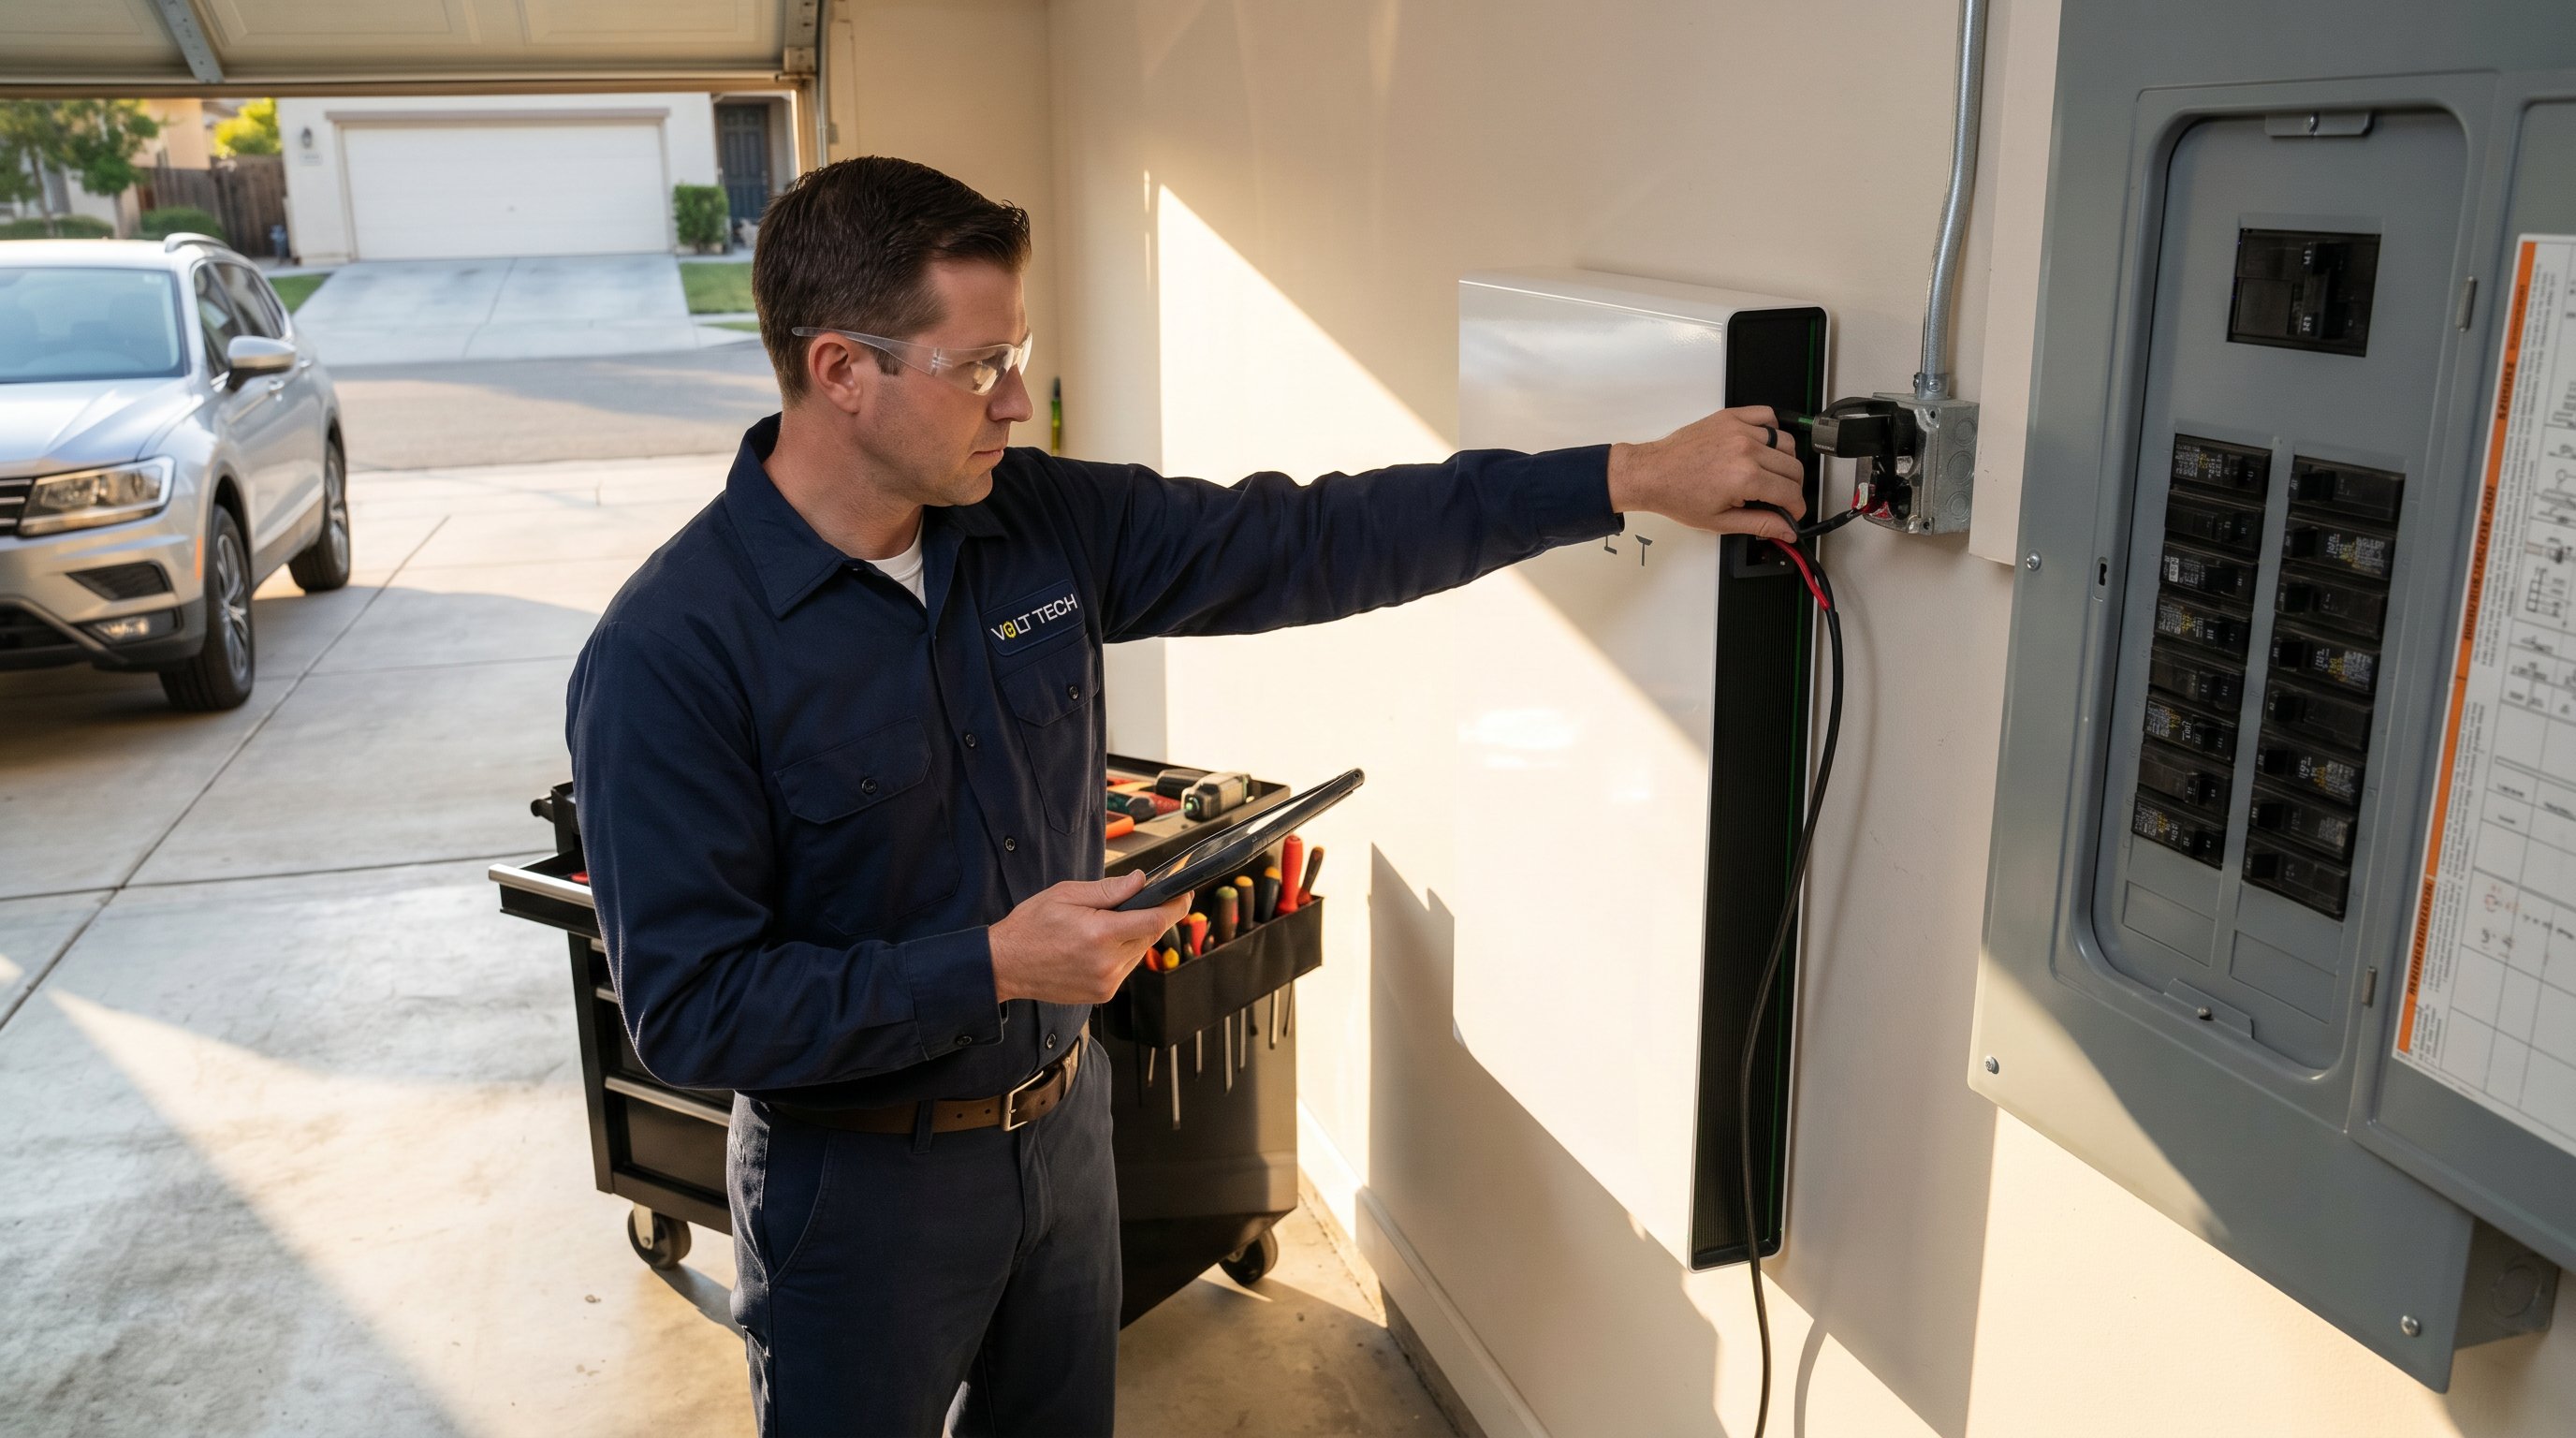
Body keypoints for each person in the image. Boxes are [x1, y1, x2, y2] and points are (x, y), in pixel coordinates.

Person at [566, 155, 1807, 1437]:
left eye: (1016, 357)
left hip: (1062, 1132)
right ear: (841, 372)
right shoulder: (671, 654)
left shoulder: (1031, 522)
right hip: (857, 1191)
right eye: (977, 366)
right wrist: (992, 962)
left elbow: (1310, 538)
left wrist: (1621, 478)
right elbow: (694, 1012)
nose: (1013, 403)